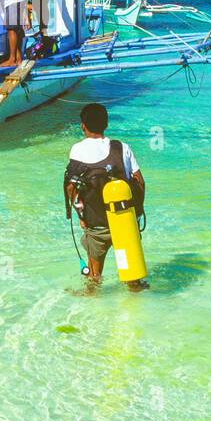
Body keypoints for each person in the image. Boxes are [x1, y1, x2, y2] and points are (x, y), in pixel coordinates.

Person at [64, 102, 147, 290]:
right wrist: (137, 215)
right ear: (107, 124)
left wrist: (81, 217)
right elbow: (139, 182)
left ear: (82, 125)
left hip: (96, 223)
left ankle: (93, 310)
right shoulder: (121, 147)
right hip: (125, 221)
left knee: (94, 279)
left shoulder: (77, 149)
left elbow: (71, 187)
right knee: (133, 278)